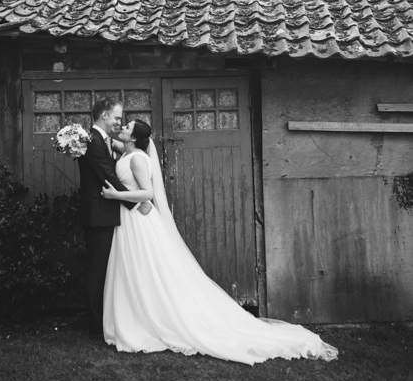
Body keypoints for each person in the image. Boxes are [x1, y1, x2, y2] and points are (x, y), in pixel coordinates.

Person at [100, 119, 338, 364]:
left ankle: (151, 322)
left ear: (136, 138)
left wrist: (116, 195)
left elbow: (148, 193)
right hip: (130, 220)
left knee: (145, 270)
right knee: (135, 270)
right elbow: (110, 143)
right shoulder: (127, 151)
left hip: (139, 223)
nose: (123, 129)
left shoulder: (138, 158)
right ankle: (137, 319)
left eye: (127, 128)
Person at [77, 99, 151, 331]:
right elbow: (108, 175)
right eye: (118, 118)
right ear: (105, 115)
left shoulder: (105, 141)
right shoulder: (93, 141)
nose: (120, 123)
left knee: (107, 270)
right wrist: (137, 204)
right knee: (97, 270)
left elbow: (126, 156)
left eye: (123, 122)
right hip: (100, 214)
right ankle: (96, 323)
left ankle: (108, 318)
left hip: (110, 214)